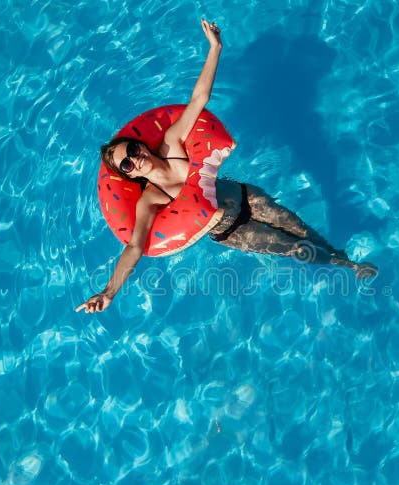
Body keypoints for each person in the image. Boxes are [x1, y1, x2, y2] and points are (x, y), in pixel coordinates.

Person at [77, 19, 377, 314]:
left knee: (299, 228)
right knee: (297, 248)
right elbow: (134, 247)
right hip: (233, 230)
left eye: (132, 149)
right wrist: (108, 292)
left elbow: (198, 99)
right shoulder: (150, 198)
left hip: (246, 196)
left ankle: (343, 257)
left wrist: (215, 48)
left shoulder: (170, 142)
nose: (135, 158)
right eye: (126, 164)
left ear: (139, 143)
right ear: (129, 176)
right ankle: (347, 267)